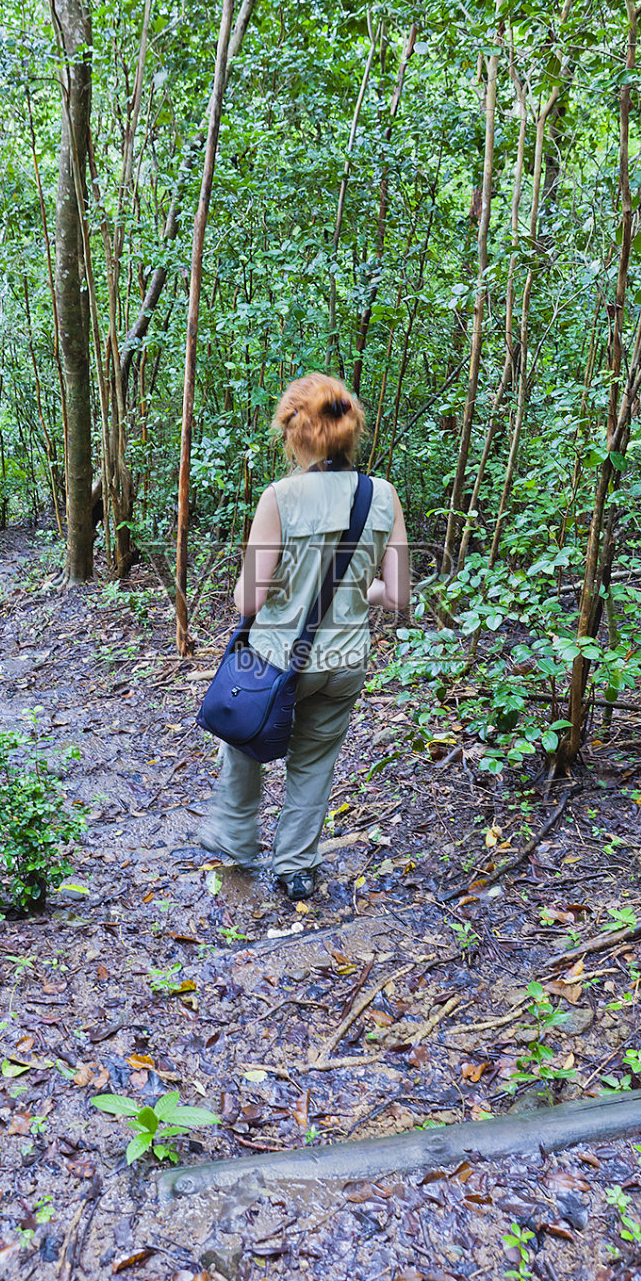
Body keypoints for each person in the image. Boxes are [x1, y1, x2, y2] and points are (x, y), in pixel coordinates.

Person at [199, 374, 409, 900]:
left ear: (295, 433)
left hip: (275, 661)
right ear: (348, 432)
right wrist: (360, 584)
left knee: (244, 739)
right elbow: (399, 594)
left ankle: (235, 839)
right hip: (344, 662)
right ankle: (296, 867)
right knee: (314, 760)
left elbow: (248, 601)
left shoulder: (280, 497)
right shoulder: (381, 496)